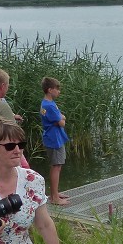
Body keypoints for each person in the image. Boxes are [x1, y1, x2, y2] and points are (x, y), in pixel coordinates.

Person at [40, 76, 70, 205]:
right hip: (54, 139)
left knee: (56, 165)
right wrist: (62, 118)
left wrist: (61, 118)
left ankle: (55, 193)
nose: (59, 91)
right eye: (57, 89)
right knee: (56, 166)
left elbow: (60, 118)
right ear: (49, 90)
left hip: (53, 137)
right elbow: (62, 122)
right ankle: (54, 198)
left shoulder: (46, 103)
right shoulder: (50, 105)